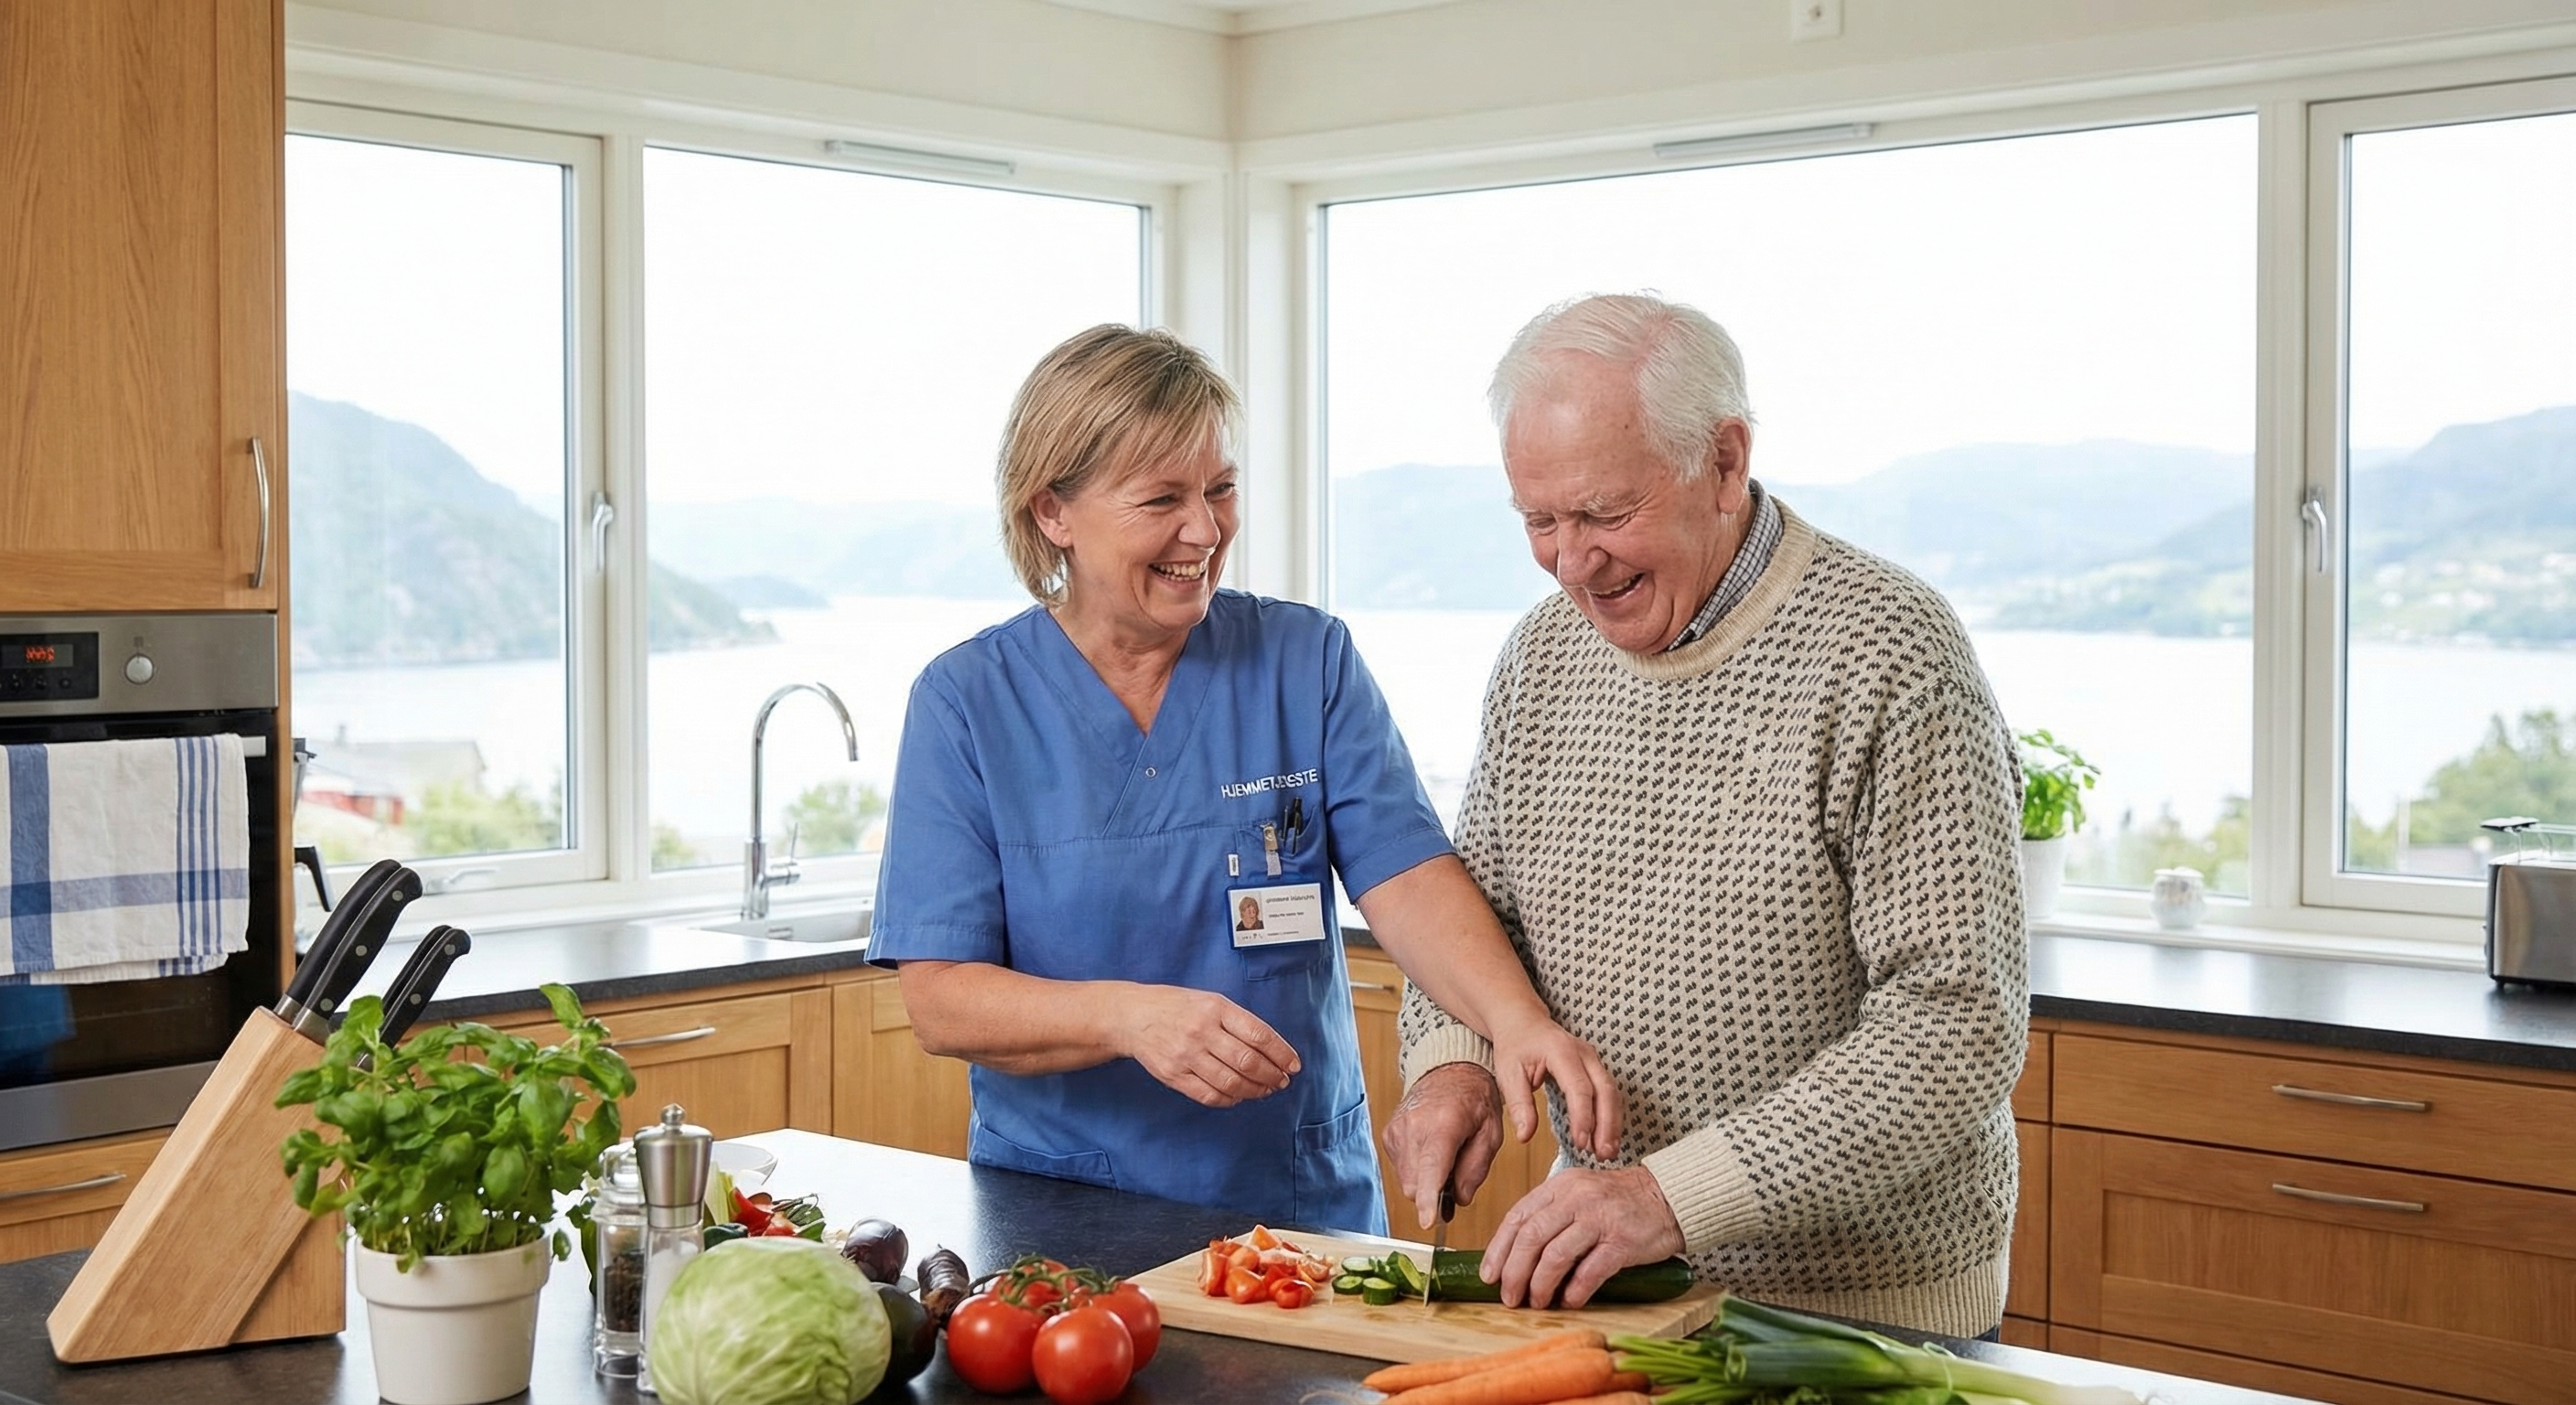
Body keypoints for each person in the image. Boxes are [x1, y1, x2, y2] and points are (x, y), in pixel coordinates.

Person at [869, 324, 1620, 1234]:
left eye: (1219, 490)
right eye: (1160, 500)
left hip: (1295, 1202)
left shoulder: (1304, 660)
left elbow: (1407, 877)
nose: (1203, 530)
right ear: (1051, 513)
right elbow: (940, 997)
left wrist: (1515, 1021)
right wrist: (1128, 1019)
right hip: (1066, 1213)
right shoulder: (966, 703)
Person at [1382, 294, 2026, 1339]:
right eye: (1538, 521)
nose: (1570, 564)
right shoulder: (1542, 657)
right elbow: (1474, 920)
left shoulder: (1888, 651)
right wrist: (1453, 1059)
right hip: (1619, 1293)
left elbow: (1956, 1023)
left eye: (1603, 513)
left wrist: (1667, 1197)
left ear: (1724, 462)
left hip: (1862, 1308)